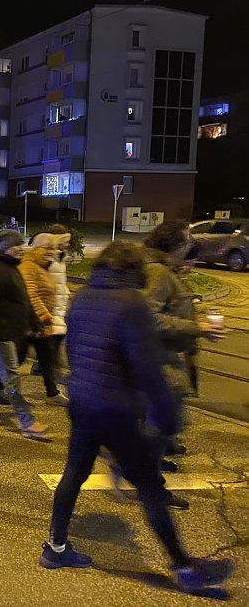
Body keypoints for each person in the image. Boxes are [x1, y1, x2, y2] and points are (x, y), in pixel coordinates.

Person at [39, 241, 234, 594]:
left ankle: (56, 547)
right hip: (116, 409)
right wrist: (166, 416)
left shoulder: (82, 296)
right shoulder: (132, 303)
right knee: (149, 487)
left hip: (82, 401)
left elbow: (74, 350)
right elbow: (147, 369)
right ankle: (185, 568)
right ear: (133, 269)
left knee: (75, 472)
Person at [141, 221, 224, 465]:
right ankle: (146, 468)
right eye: (188, 241)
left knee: (165, 415)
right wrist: (197, 327)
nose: (190, 246)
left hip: (167, 355)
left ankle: (153, 458)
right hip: (160, 357)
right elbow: (149, 317)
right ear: (176, 245)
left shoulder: (165, 269)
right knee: (160, 417)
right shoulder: (158, 272)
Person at [0, 230, 48, 437]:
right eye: (16, 245)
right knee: (11, 377)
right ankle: (27, 422)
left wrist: (35, 324)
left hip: (8, 331)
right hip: (0, 333)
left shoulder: (11, 268)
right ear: (4, 248)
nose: (20, 249)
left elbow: (23, 301)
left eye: (21, 244)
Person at [17, 233, 67, 405]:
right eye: (48, 248)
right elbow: (30, 294)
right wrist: (44, 315)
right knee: (18, 357)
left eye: (53, 248)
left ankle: (52, 393)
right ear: (37, 248)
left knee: (47, 359)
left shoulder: (43, 267)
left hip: (40, 324)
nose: (51, 252)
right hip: (28, 323)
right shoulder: (28, 266)